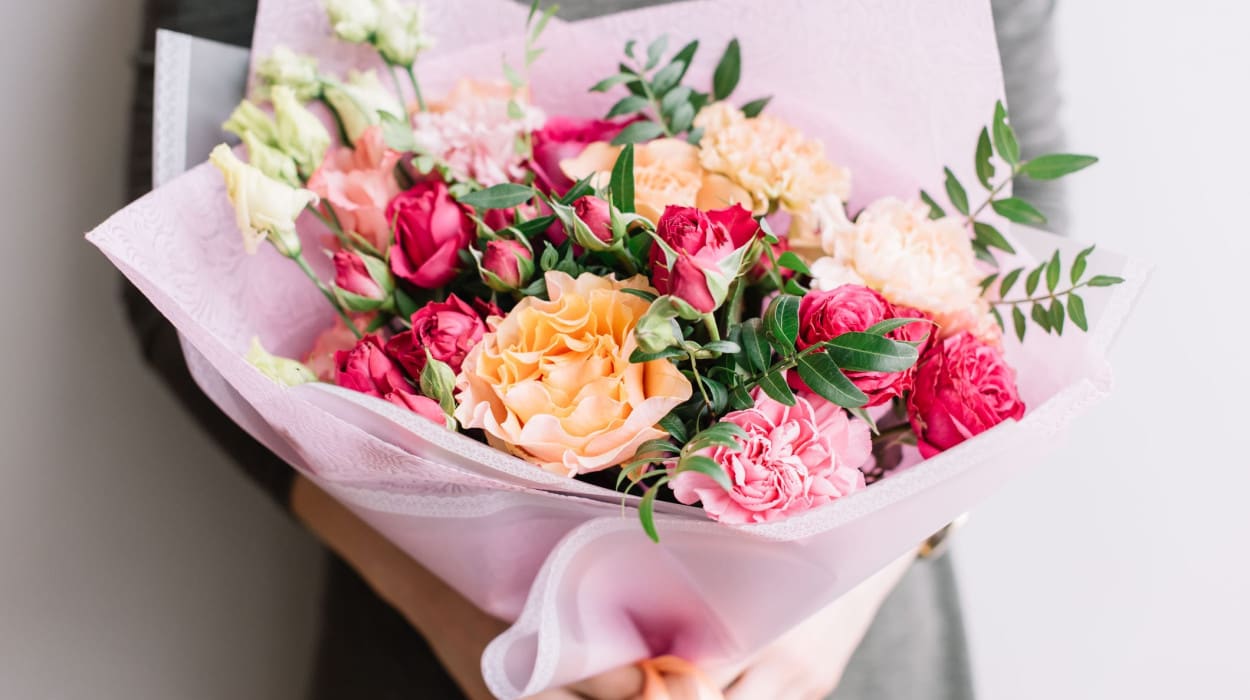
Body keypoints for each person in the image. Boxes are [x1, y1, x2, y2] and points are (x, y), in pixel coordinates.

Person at [122, 1, 1066, 697]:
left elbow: (1014, 297)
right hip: (441, 663)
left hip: (843, 660)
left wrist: (825, 625)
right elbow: (178, 290)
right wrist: (467, 624)